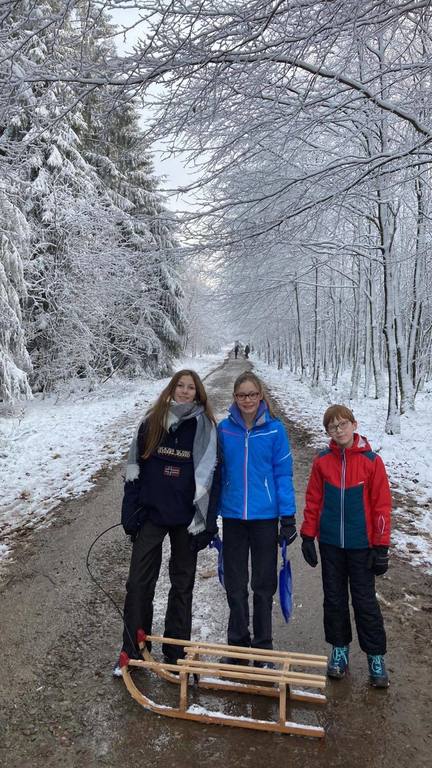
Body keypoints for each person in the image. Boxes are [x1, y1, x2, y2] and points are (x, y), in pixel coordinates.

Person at [113, 370, 219, 674]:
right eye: (180, 386)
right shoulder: (152, 422)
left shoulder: (206, 428)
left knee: (182, 586)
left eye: (191, 388)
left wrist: (207, 522)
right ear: (172, 389)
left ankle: (176, 654)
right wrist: (130, 511)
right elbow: (135, 466)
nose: (185, 391)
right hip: (151, 515)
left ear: (198, 393)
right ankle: (132, 651)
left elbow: (214, 477)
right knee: (138, 584)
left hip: (187, 520)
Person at [300, 404, 392, 688]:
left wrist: (381, 546)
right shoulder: (322, 461)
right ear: (327, 431)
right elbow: (314, 501)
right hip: (330, 545)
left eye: (343, 424)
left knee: (365, 602)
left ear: (354, 424)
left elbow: (382, 506)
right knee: (335, 599)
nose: (338, 430)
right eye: (332, 426)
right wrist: (307, 535)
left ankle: (375, 656)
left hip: (361, 547)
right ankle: (339, 649)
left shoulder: (371, 461)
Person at [217, 371, 297, 667]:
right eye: (242, 395)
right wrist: (211, 515)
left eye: (252, 394)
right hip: (234, 517)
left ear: (260, 396)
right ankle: (237, 645)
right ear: (235, 398)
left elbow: (283, 474)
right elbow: (217, 475)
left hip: (265, 518)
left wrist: (287, 516)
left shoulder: (276, 431)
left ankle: (263, 648)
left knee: (263, 585)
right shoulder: (224, 430)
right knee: (235, 584)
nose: (247, 400)